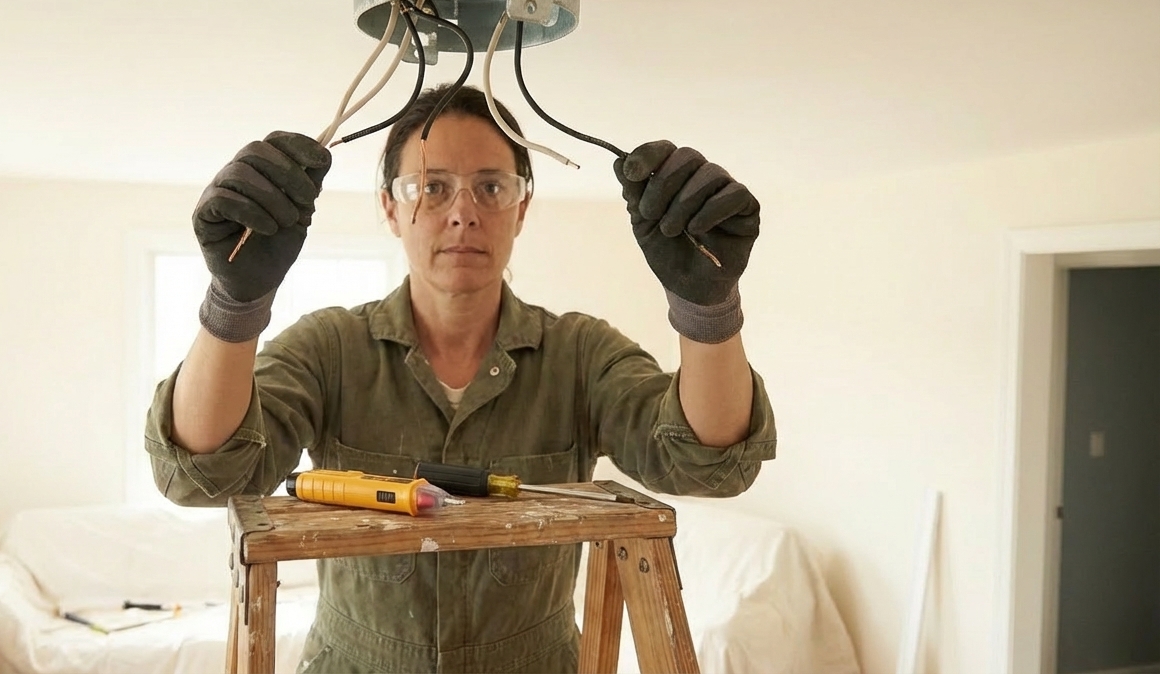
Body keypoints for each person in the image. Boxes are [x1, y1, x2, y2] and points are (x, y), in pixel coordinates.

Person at [145, 84, 777, 673]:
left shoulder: (580, 353)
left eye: (490, 188)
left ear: (522, 207)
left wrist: (708, 307)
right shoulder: (329, 348)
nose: (463, 214)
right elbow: (205, 472)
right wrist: (234, 302)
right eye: (431, 187)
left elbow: (707, 461)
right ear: (390, 208)